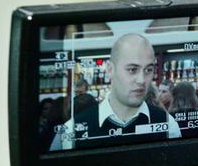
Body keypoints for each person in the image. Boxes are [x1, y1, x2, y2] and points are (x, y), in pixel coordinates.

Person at [50, 33, 180, 151]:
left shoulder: (168, 124)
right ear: (110, 70)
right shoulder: (71, 131)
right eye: (132, 70)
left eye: (148, 70)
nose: (141, 80)